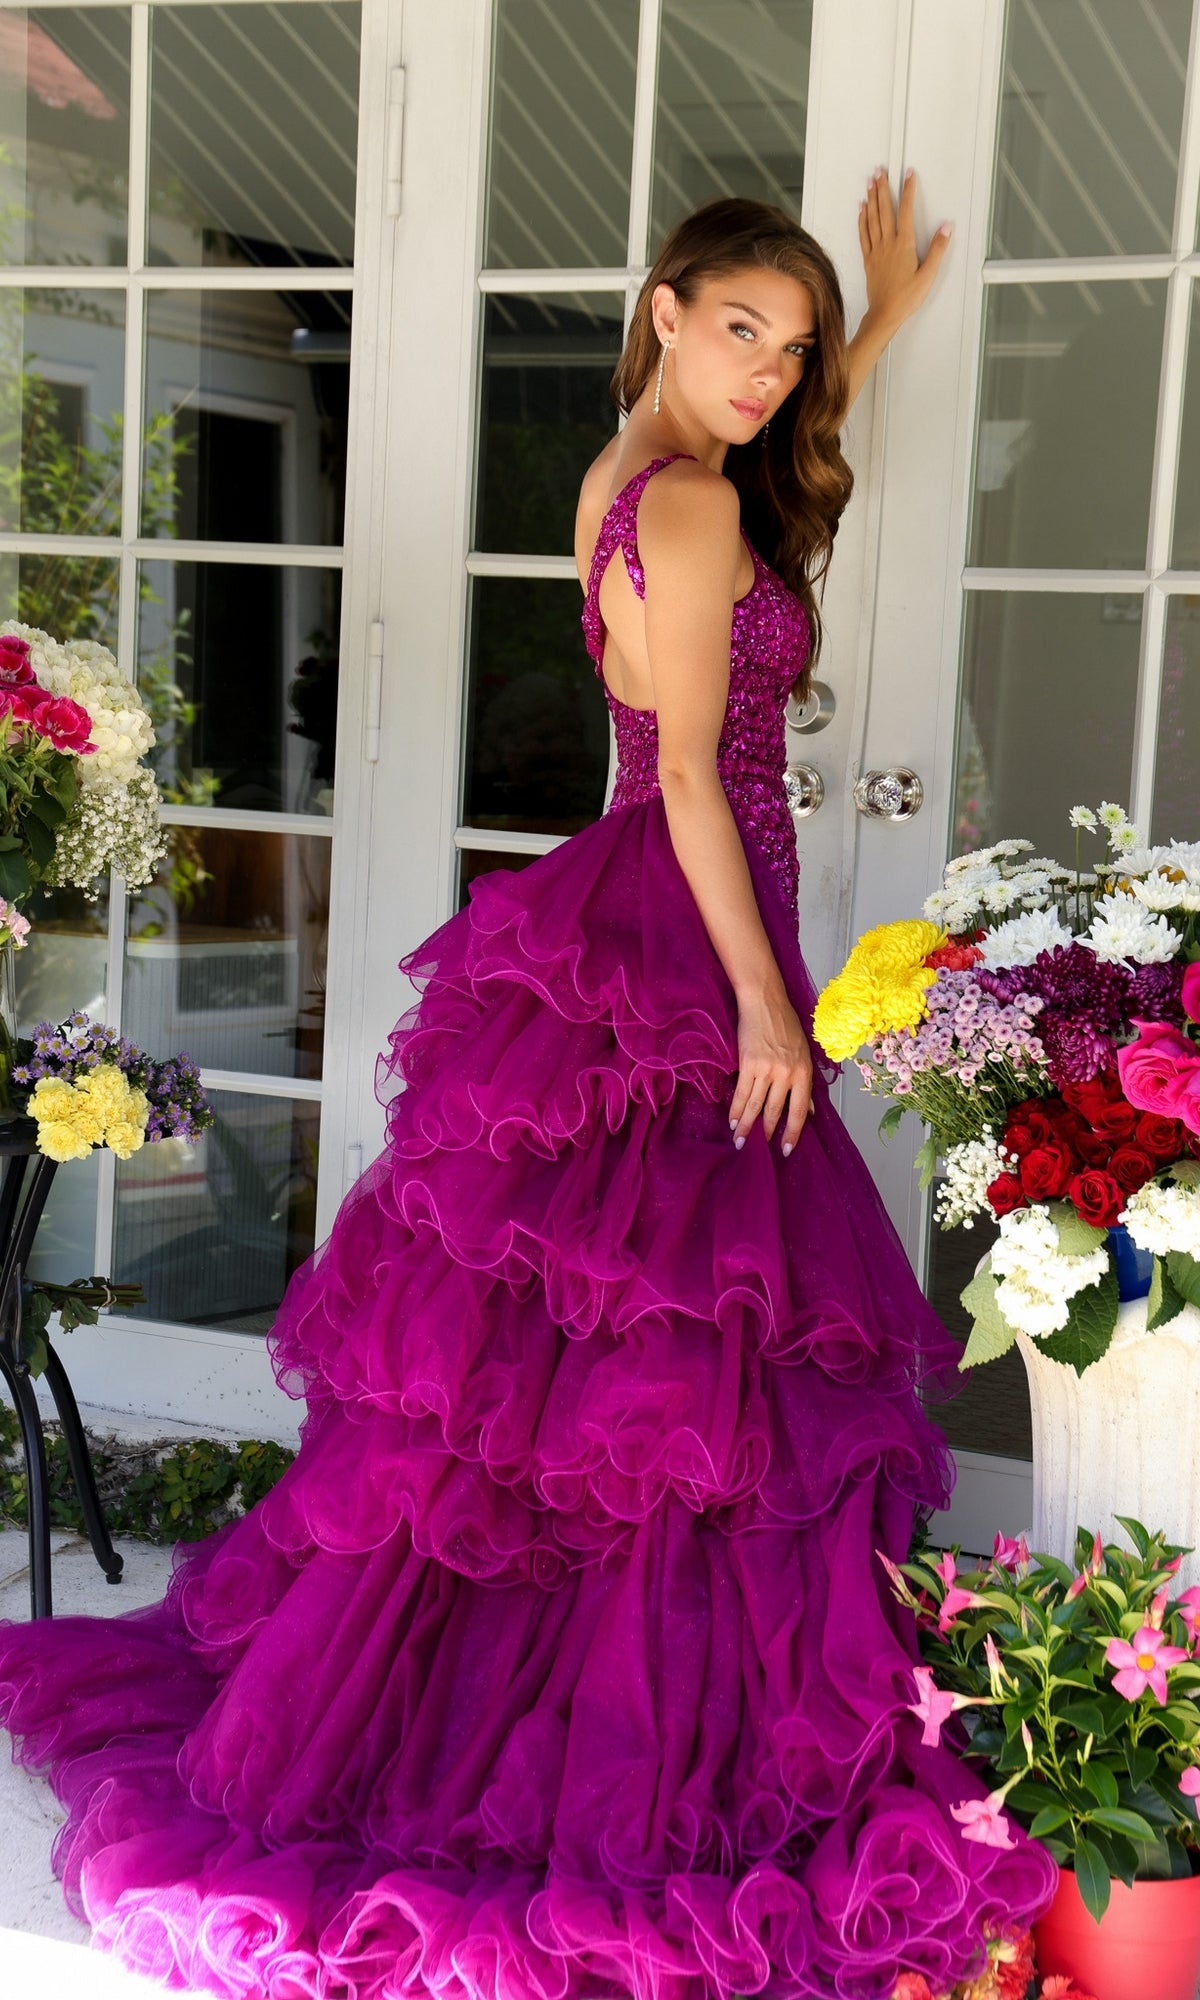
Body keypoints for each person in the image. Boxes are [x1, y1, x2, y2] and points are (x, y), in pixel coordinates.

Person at [0, 179, 1057, 2000]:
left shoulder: (629, 473)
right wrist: (762, 1007)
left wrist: (859, 334)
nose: (771, 373)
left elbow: (712, 588)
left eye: (789, 352)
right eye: (744, 331)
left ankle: (529, 1690)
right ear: (664, 307)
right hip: (684, 917)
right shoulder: (704, 495)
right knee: (676, 1366)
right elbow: (712, 785)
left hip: (631, 901)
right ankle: (617, 1740)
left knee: (574, 1378)